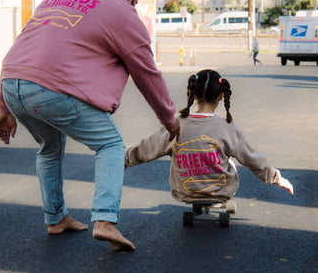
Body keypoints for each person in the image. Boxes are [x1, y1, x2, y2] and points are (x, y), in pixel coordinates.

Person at [0, 0, 180, 252]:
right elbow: (147, 73)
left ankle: (56, 219)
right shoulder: (121, 9)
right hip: (51, 89)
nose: (134, 6)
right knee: (110, 145)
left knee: (49, 147)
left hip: (13, 82)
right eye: (135, 1)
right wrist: (170, 120)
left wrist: (5, 105)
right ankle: (105, 220)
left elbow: (24, 45)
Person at [125, 69, 293, 208]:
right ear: (221, 96)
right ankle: (214, 198)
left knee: (176, 153)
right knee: (231, 161)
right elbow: (252, 159)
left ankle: (195, 190)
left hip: (184, 192)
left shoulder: (176, 125)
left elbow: (148, 148)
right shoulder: (226, 127)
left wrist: (123, 160)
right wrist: (277, 179)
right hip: (221, 193)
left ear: (191, 93)